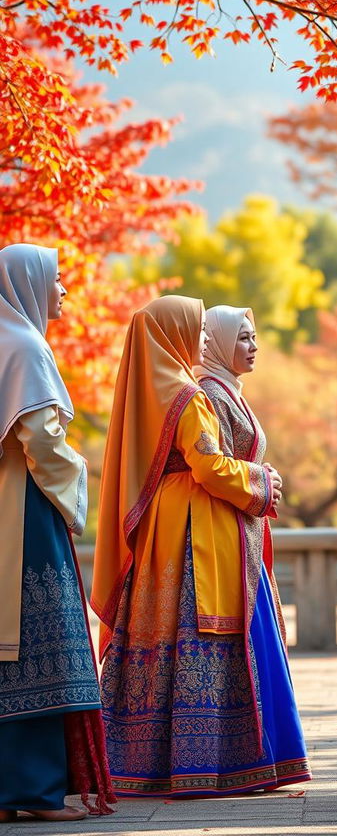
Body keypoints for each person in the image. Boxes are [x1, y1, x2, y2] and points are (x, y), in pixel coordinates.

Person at [92, 295, 309, 797]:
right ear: (176, 333)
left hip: (164, 533)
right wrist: (260, 481)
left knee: (158, 637)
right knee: (199, 632)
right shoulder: (190, 396)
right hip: (197, 531)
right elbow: (209, 465)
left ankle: (139, 761)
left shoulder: (151, 391)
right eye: (198, 328)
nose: (206, 338)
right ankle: (212, 763)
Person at [0, 244, 114, 822]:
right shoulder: (25, 346)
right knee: (42, 641)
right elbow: (42, 442)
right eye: (57, 278)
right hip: (24, 512)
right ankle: (36, 791)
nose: (65, 289)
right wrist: (78, 482)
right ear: (29, 282)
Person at [194, 305, 310, 791]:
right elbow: (210, 465)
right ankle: (247, 757)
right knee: (243, 639)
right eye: (243, 338)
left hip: (245, 533)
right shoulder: (210, 394)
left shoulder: (231, 393)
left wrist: (262, 484)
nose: (253, 346)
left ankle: (272, 755)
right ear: (218, 343)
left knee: (261, 639)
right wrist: (263, 481)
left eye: (255, 336)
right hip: (222, 535)